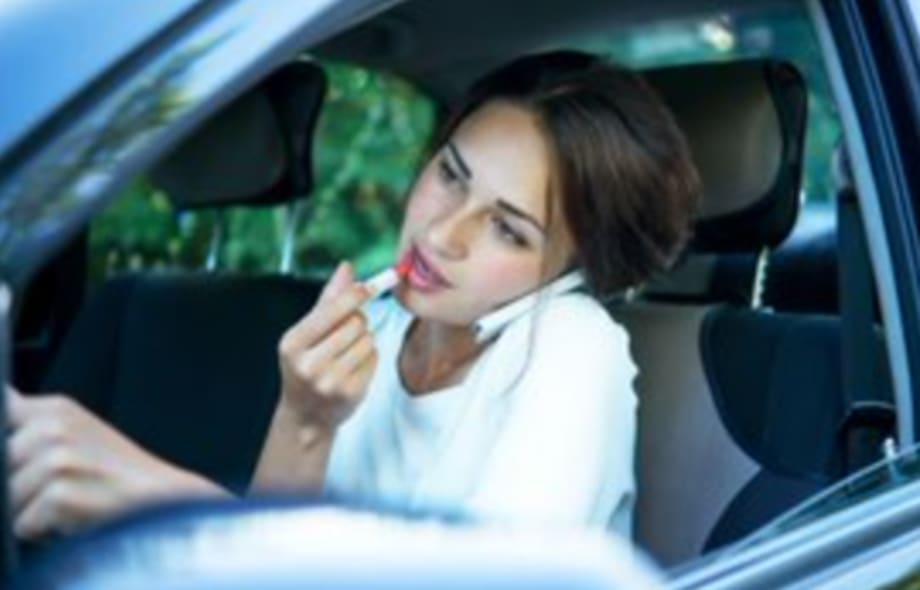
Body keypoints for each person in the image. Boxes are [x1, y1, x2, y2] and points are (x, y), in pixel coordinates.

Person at [5, 50, 700, 540]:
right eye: (451, 175)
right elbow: (270, 561)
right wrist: (304, 416)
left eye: (507, 230)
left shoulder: (575, 345)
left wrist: (149, 493)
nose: (441, 234)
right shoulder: (385, 321)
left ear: (572, 265)